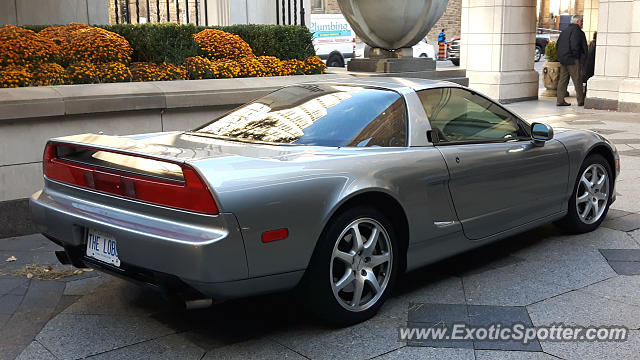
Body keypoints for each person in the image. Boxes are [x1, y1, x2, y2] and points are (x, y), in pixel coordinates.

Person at [556, 15, 588, 106]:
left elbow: (558, 45)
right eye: (581, 21)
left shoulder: (564, 31)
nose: (582, 23)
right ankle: (580, 100)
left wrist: (561, 57)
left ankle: (560, 100)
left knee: (563, 80)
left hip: (563, 59)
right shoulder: (578, 31)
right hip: (573, 59)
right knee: (577, 80)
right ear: (577, 22)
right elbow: (576, 45)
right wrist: (577, 57)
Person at [583, 31, 597, 96]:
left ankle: (585, 94)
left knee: (588, 80)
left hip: (588, 65)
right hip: (591, 65)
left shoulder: (592, 43)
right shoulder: (595, 44)